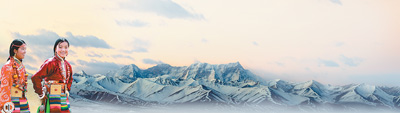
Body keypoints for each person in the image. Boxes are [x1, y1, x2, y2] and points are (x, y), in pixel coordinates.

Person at [31, 38, 73, 113]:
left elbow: (70, 79)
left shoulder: (68, 65)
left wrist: (67, 89)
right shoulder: (50, 63)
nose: (63, 50)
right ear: (55, 49)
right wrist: (41, 94)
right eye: (60, 47)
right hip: (51, 96)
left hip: (63, 97)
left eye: (66, 47)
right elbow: (35, 77)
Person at [0, 39, 30, 113]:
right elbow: (4, 88)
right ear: (15, 50)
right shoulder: (7, 66)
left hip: (22, 99)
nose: (25, 51)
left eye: (25, 49)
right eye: (22, 49)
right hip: (12, 101)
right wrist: (5, 106)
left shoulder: (20, 65)